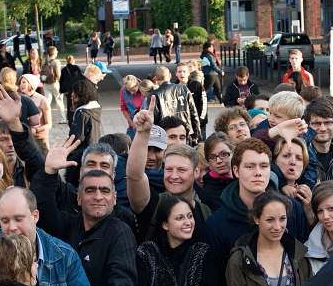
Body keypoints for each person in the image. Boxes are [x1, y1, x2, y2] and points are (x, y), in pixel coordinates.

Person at [203, 137, 310, 271]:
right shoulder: (217, 224)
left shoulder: (292, 209)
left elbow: (304, 262)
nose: (258, 173)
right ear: (236, 171)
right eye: (250, 166)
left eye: (264, 166)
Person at [128, 101, 212, 242]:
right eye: (169, 169)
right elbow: (134, 176)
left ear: (196, 171)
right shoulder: (152, 204)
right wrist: (142, 133)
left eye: (181, 170)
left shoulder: (206, 213)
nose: (174, 176)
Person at [149, 66, 201, 143]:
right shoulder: (184, 89)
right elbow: (193, 111)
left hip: (167, 134)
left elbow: (155, 117)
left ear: (156, 79)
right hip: (185, 131)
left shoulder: (155, 94)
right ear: (170, 75)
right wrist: (196, 132)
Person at [67, 79, 102, 185]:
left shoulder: (83, 114)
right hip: (92, 150)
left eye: (74, 92)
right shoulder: (94, 110)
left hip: (81, 156)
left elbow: (75, 139)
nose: (72, 94)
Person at [198, 132, 235, 211]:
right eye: (212, 157)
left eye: (224, 154)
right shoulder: (208, 193)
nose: (218, 161)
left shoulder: (243, 178)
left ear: (233, 152)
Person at [18, 74, 51, 154]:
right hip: (24, 138)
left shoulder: (42, 100)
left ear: (31, 84)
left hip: (39, 139)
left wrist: (36, 130)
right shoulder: (19, 99)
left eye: (24, 82)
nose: (21, 85)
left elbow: (49, 124)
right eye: (20, 83)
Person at [175, 62, 208, 140]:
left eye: (184, 71)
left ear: (188, 73)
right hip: (182, 125)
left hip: (198, 124)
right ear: (176, 73)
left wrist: (199, 121)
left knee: (200, 149)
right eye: (179, 72)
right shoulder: (174, 88)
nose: (182, 74)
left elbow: (203, 104)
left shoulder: (197, 85)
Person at [41, 46, 66, 125]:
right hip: (55, 83)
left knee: (47, 102)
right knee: (59, 101)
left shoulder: (43, 62)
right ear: (54, 52)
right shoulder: (56, 62)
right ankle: (62, 118)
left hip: (46, 83)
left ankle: (46, 118)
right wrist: (60, 82)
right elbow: (58, 73)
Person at [120, 75, 144, 141]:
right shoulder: (123, 90)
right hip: (133, 121)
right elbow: (123, 108)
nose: (131, 93)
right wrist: (131, 122)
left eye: (133, 90)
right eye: (129, 90)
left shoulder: (144, 88)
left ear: (137, 85)